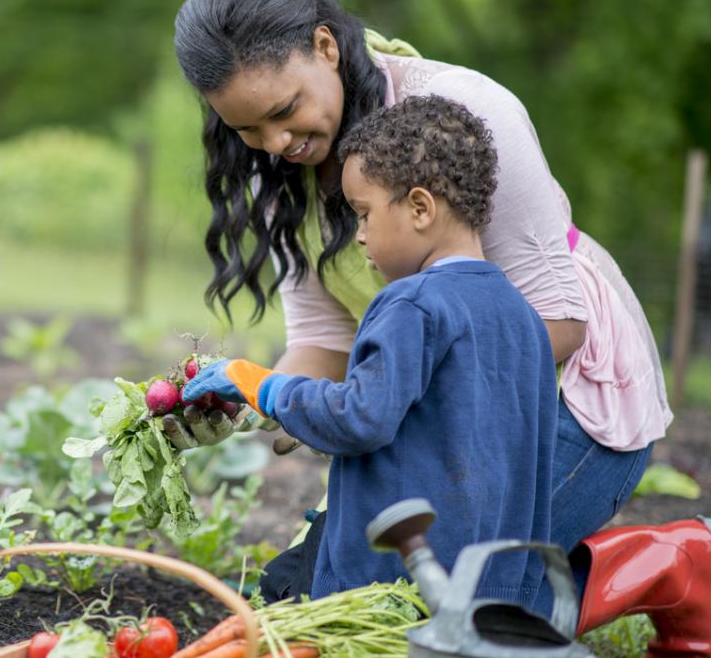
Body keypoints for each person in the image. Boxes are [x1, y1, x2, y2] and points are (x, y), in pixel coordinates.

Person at [171, 0, 710, 646]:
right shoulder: (281, 171)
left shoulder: (462, 114)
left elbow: (563, 324)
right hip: (421, 401)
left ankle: (673, 564)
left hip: (568, 396)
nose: (276, 145)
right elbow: (323, 344)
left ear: (326, 47)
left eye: (284, 112)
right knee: (304, 600)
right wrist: (252, 401)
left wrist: (400, 407)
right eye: (249, 131)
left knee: (451, 611)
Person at [185, 94, 559, 614]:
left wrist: (261, 384)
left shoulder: (412, 303)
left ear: (421, 208)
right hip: (493, 589)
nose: (358, 237)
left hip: (392, 585)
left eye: (363, 214)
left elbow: (360, 419)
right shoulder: (522, 317)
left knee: (277, 612)